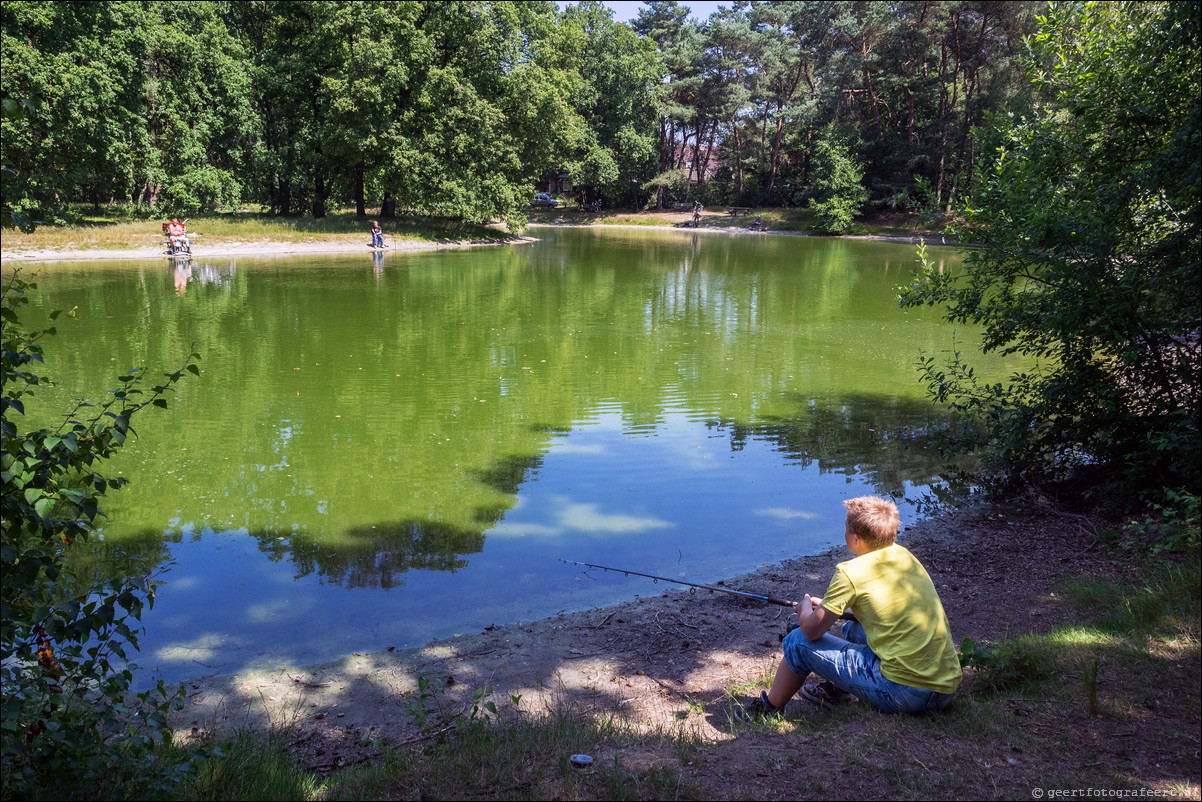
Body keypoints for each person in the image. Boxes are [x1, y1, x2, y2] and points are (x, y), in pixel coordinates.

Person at [737, 495, 961, 718]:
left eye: (846, 528)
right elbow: (881, 608)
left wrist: (805, 607)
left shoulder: (850, 572)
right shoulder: (904, 556)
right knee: (852, 629)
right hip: (944, 687)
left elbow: (811, 631)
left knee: (797, 642)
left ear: (856, 539)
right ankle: (836, 692)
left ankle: (767, 710)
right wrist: (828, 606)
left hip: (906, 693)